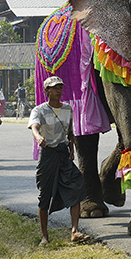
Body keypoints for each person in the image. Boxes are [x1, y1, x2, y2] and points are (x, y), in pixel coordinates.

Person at [28, 76, 91, 246]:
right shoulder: (39, 110)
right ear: (46, 91)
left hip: (63, 154)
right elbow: (34, 126)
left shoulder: (68, 109)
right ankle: (44, 236)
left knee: (76, 186)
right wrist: (39, 136)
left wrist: (71, 149)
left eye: (60, 87)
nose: (58, 90)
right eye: (54, 88)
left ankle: (75, 231)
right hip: (48, 155)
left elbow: (70, 132)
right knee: (44, 195)